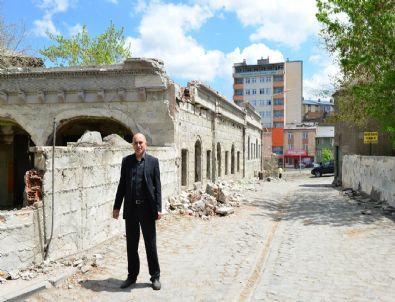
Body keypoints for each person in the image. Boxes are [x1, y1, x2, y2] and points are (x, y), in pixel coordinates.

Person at [113, 133, 162, 290]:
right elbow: (122, 185)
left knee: (150, 244)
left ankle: (155, 276)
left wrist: (159, 208)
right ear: (132, 145)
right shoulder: (126, 162)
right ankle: (132, 276)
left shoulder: (153, 162)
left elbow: (158, 187)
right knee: (131, 245)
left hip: (147, 210)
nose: (138, 145)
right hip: (132, 209)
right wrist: (116, 207)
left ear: (145, 144)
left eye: (141, 142)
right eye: (135, 143)